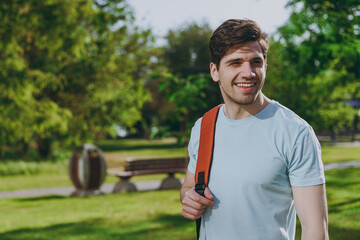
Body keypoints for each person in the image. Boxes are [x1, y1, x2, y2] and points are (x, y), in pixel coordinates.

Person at [180, 19, 329, 240]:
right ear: (215, 71)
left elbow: (315, 230)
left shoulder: (295, 132)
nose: (248, 72)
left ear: (265, 66)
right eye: (235, 63)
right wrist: (188, 198)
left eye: (256, 62)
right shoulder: (203, 127)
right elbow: (189, 187)